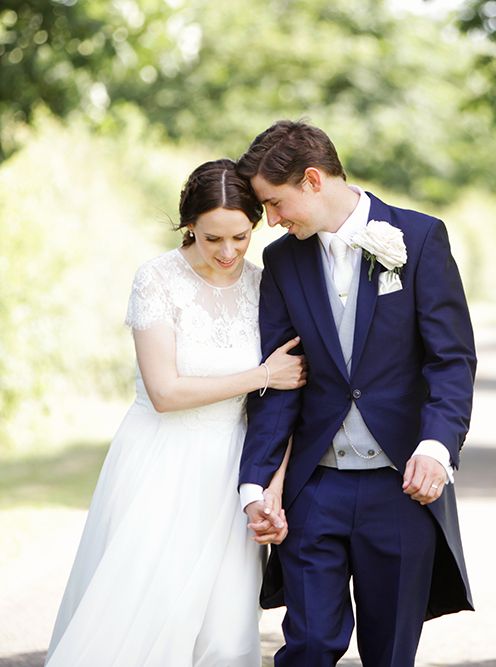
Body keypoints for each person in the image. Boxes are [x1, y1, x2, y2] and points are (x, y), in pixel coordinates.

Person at [45, 159, 306, 667]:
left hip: (233, 469)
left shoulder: (263, 284)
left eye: (240, 236)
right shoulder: (157, 279)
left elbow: (286, 400)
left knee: (227, 634)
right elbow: (165, 391)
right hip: (160, 463)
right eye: (213, 239)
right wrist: (260, 376)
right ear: (190, 224)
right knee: (146, 620)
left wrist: (271, 484)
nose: (228, 252)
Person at [237, 121, 477, 667]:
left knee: (390, 653)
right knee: (311, 645)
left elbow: (452, 360)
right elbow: (279, 382)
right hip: (313, 490)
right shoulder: (282, 261)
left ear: (313, 180)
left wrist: (436, 449)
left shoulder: (418, 238)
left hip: (400, 489)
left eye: (275, 203)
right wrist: (256, 486)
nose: (270, 220)